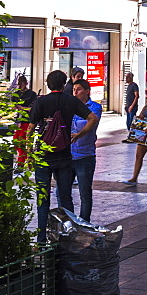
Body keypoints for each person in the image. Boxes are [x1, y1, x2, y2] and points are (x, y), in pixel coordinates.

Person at [27, 70, 98, 244]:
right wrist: (79, 134)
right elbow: (93, 118)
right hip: (65, 156)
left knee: (42, 200)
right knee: (66, 198)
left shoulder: (40, 102)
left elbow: (29, 130)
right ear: (64, 83)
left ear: (48, 83)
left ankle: (42, 240)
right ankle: (68, 237)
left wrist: (29, 154)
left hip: (44, 156)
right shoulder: (71, 101)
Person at [68, 78, 102, 222]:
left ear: (87, 92)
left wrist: (78, 135)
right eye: (74, 90)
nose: (75, 93)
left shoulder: (94, 107)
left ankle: (84, 222)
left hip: (85, 154)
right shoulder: (68, 106)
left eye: (79, 90)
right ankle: (69, 221)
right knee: (63, 192)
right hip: (68, 155)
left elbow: (91, 122)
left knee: (85, 192)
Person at [13, 74, 36, 167]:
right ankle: (24, 159)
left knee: (22, 141)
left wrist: (21, 108)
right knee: (16, 140)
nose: (20, 86)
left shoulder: (31, 94)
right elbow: (14, 106)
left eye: (22, 84)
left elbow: (32, 108)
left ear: (26, 83)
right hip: (19, 120)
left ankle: (21, 162)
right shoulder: (17, 94)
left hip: (27, 120)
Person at [122, 72, 139, 142]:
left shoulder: (134, 85)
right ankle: (130, 136)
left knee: (131, 122)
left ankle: (132, 137)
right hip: (128, 106)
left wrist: (132, 106)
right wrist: (126, 106)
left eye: (127, 77)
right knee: (128, 122)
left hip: (132, 107)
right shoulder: (129, 86)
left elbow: (136, 96)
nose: (126, 79)